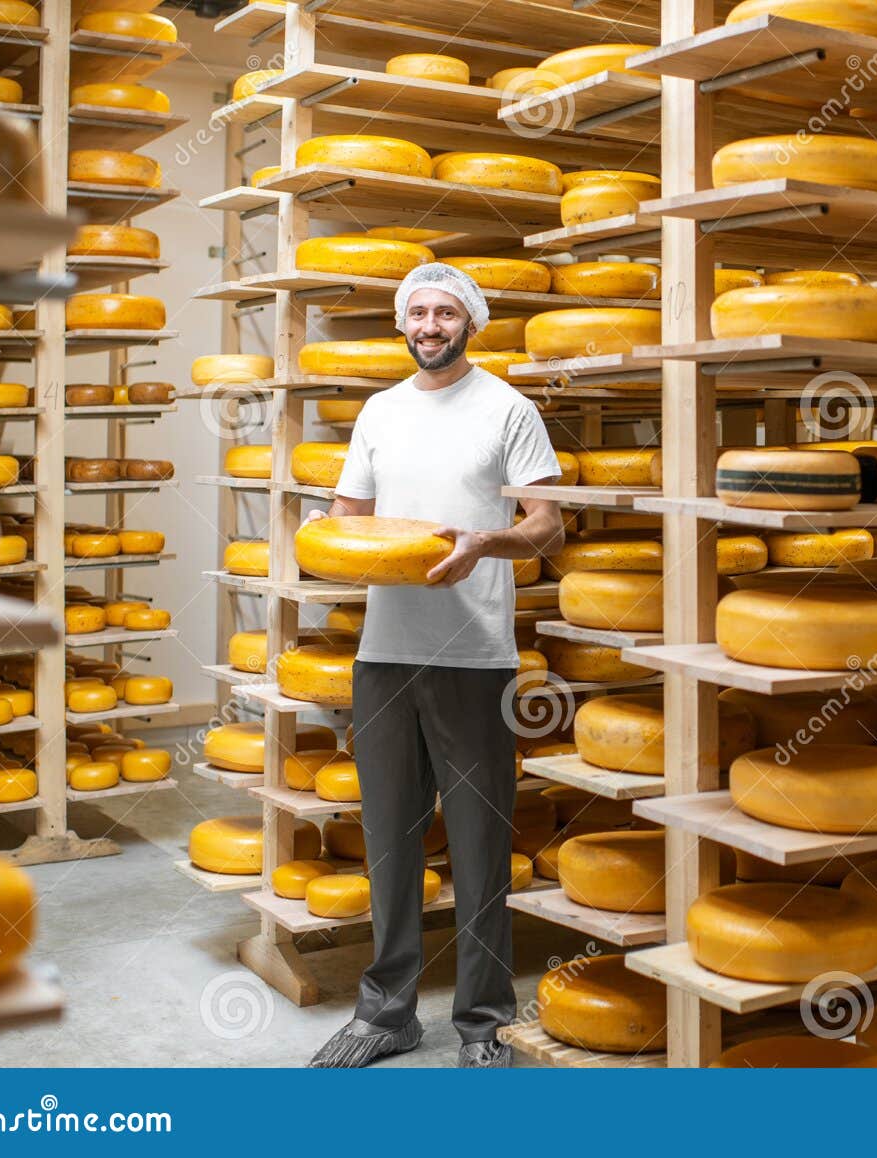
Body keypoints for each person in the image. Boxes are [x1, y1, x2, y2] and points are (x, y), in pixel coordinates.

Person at [306, 263, 565, 1068]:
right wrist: (324, 530)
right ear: (401, 323)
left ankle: (483, 1022)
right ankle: (387, 1014)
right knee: (388, 836)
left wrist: (488, 541)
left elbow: (547, 525)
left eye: (444, 312)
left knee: (481, 841)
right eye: (416, 311)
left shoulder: (507, 409)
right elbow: (349, 521)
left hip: (473, 653)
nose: (429, 323)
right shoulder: (379, 412)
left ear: (471, 323)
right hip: (383, 653)